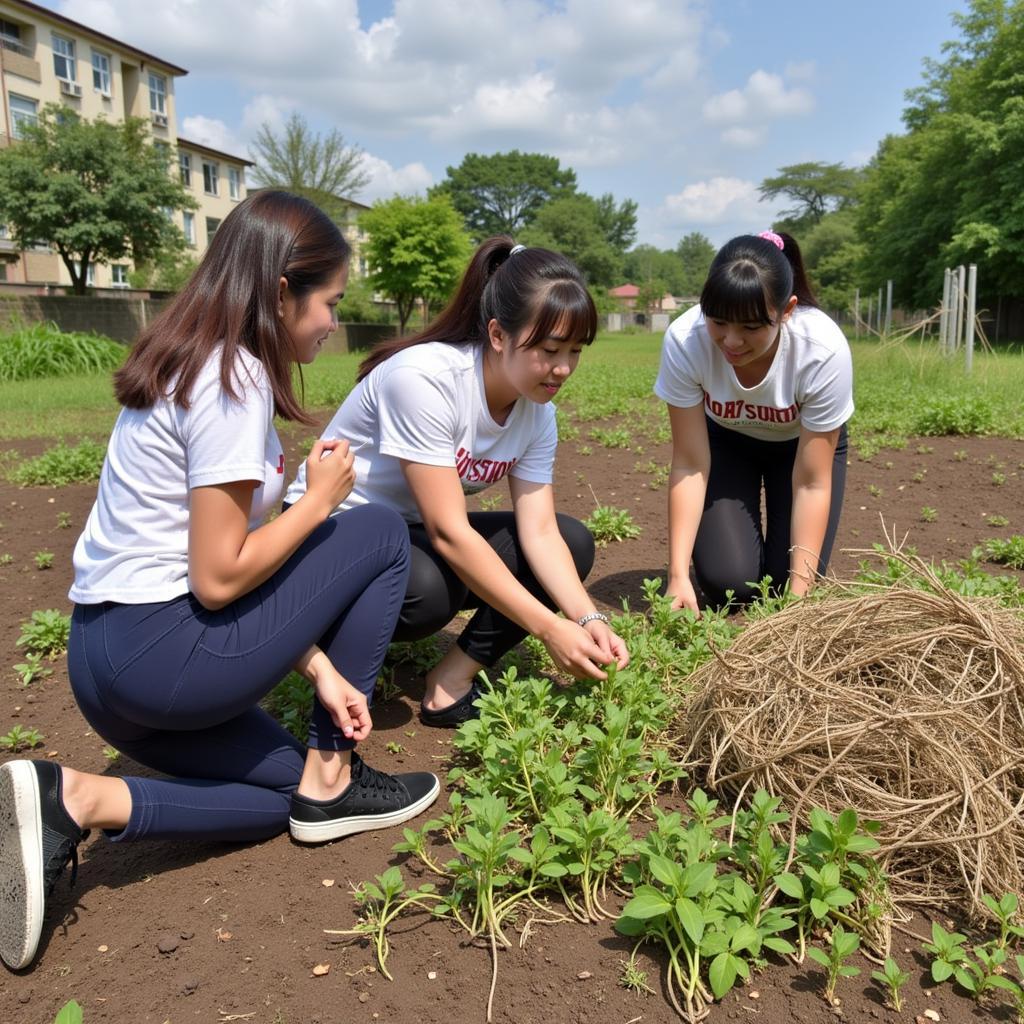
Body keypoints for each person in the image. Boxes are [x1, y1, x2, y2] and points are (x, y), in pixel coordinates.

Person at [0, 191, 438, 974]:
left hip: (106, 665)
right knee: (373, 531)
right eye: (330, 301)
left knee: (285, 798)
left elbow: (233, 581)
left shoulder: (192, 360)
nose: (334, 320)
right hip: (163, 654)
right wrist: (320, 505)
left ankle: (75, 798)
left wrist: (320, 667)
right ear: (280, 293)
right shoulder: (233, 376)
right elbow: (218, 576)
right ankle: (337, 773)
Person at [284, 237, 629, 727]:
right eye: (550, 349)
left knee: (571, 543)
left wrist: (588, 618)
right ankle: (330, 651)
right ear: (497, 334)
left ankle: (451, 681)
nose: (563, 369)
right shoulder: (425, 380)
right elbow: (449, 532)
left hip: (408, 532)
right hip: (327, 535)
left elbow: (541, 532)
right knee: (428, 589)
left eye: (575, 351)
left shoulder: (537, 414)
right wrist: (549, 628)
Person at [656, 230, 853, 612]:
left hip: (800, 447)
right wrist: (678, 574)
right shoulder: (685, 340)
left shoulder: (822, 350)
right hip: (726, 443)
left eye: (750, 327)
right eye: (718, 322)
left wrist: (798, 599)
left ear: (787, 310)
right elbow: (690, 464)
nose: (731, 341)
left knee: (786, 585)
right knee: (730, 584)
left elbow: (813, 482)